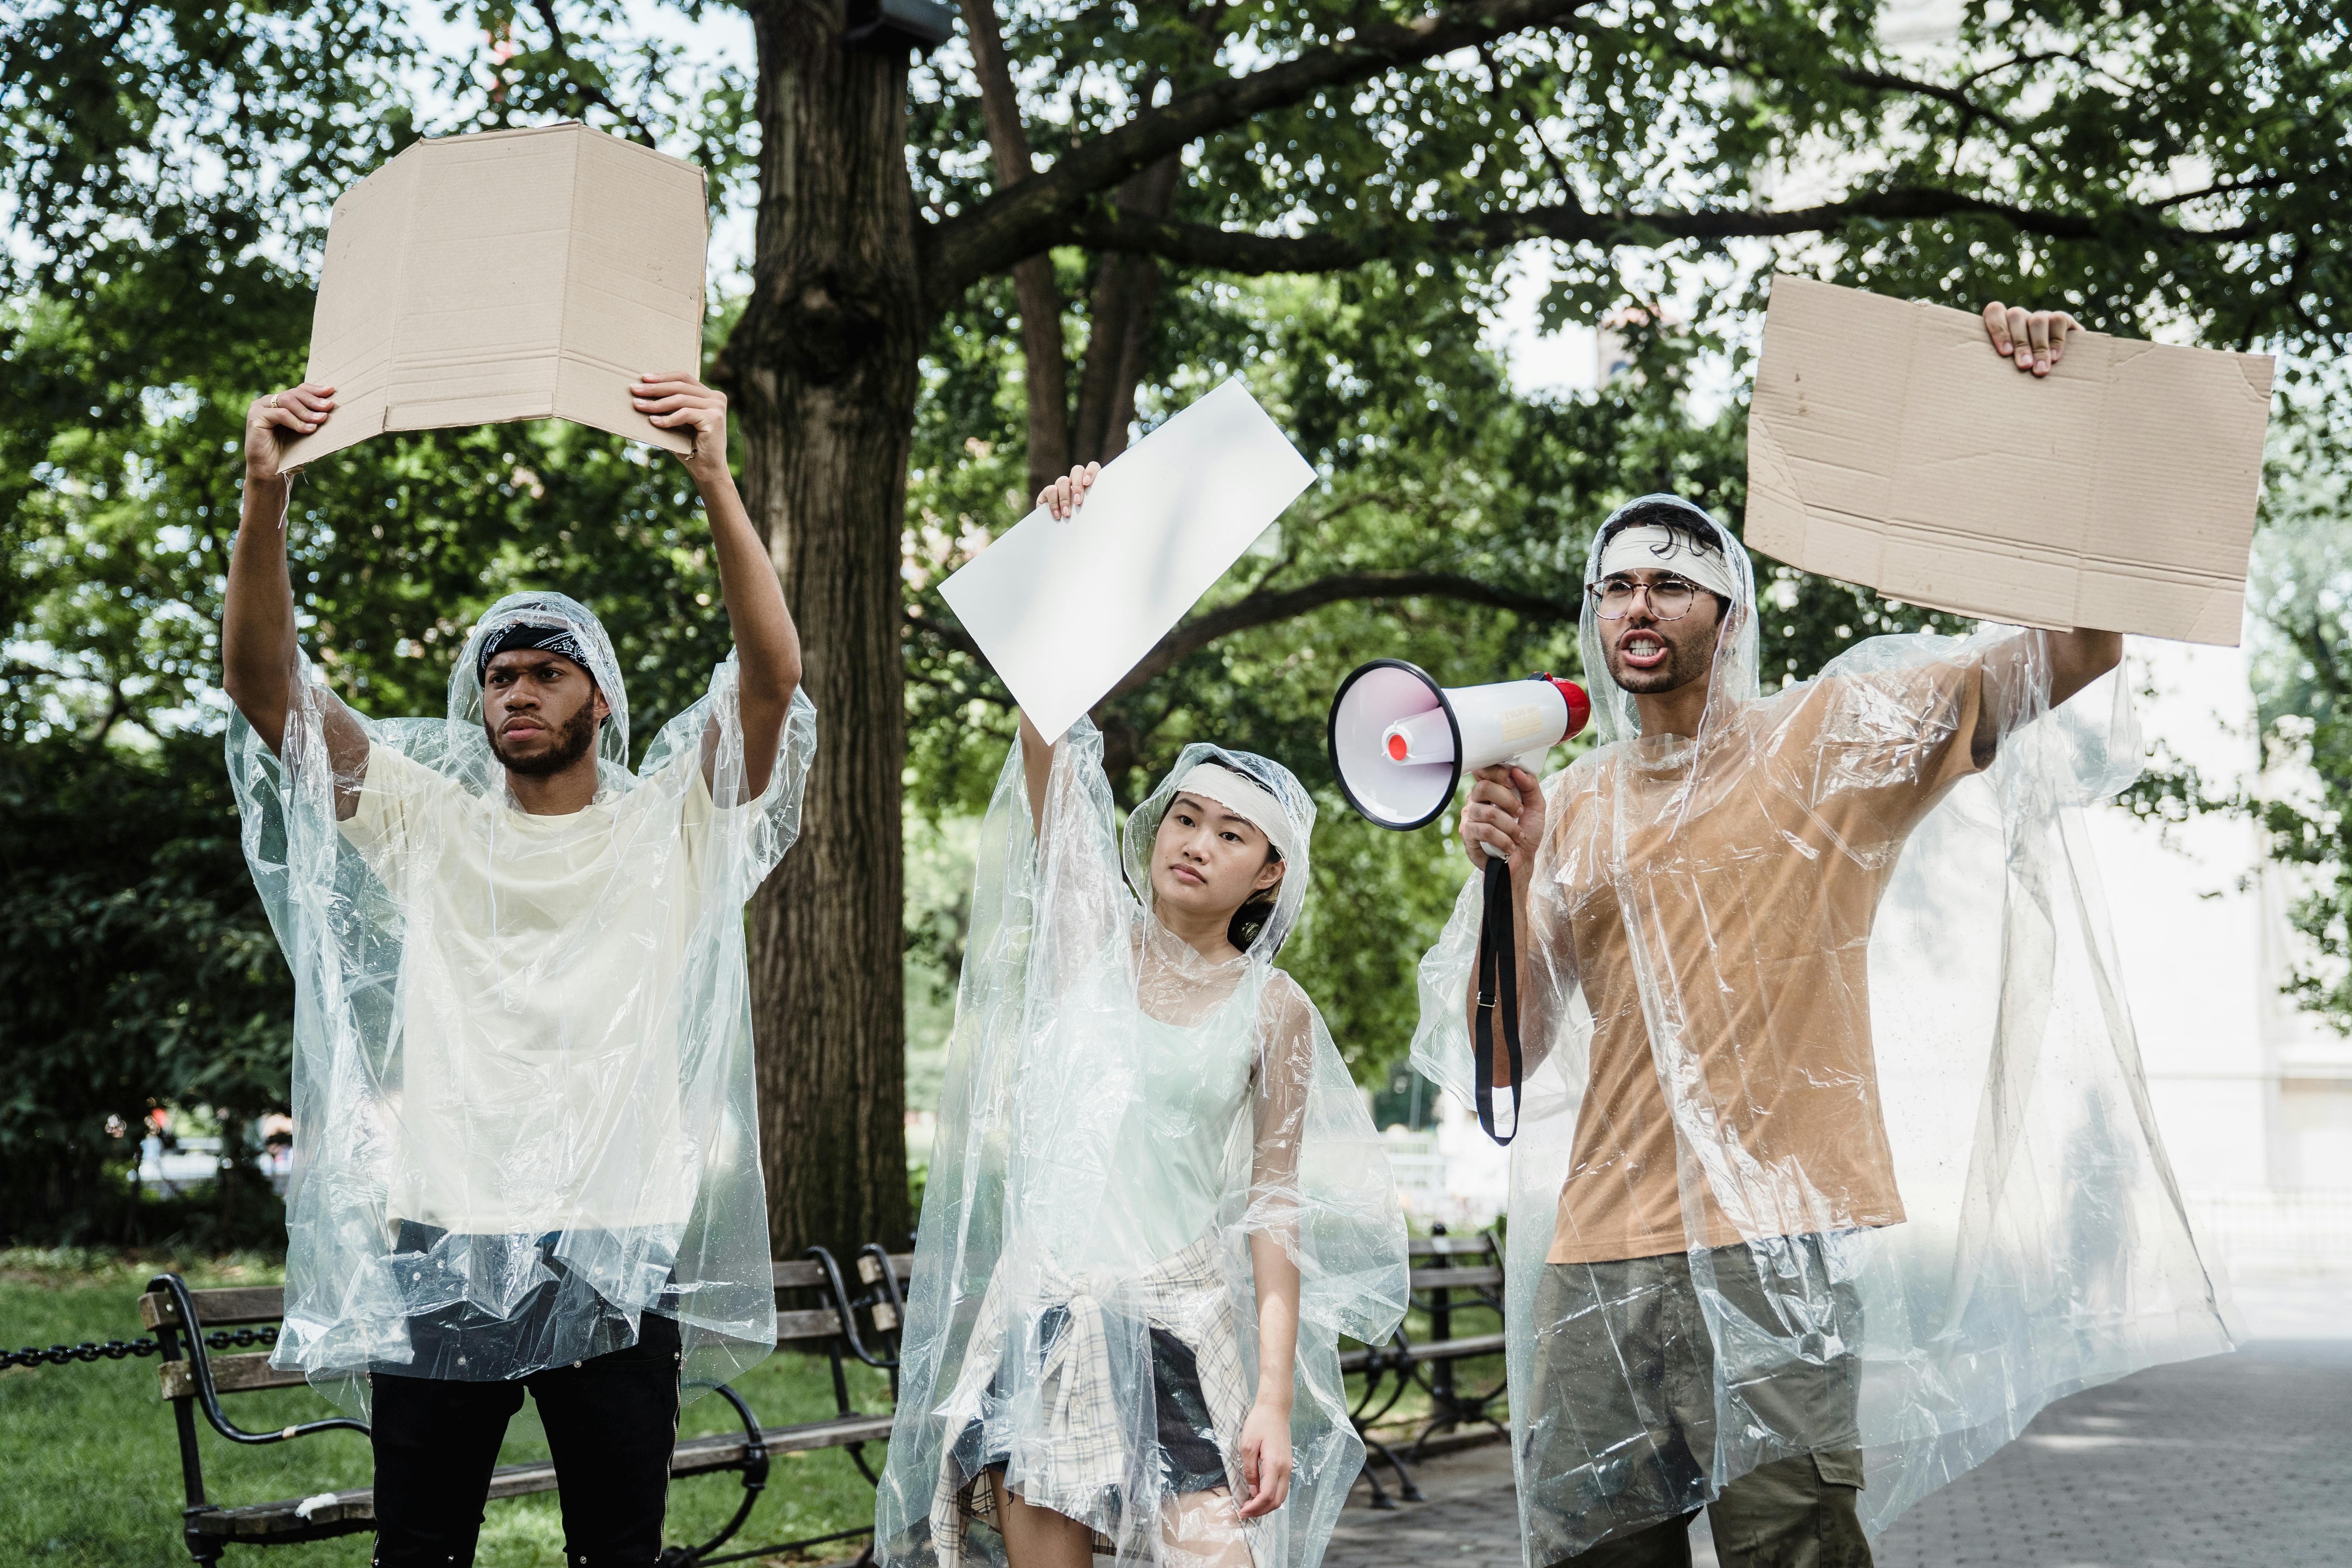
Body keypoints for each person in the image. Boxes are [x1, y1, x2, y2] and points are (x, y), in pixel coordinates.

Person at [1410, 302, 2232, 1567]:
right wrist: (1508, 881)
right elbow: (1505, 1063)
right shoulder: (1563, 806)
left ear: (1727, 617)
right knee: (1590, 1555)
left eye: (1673, 581)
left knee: (1791, 1546)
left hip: (1773, 1244)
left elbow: (2076, 652)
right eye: (1619, 582)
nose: (1642, 603)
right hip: (1599, 1256)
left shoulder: (1832, 740)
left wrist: (2041, 417)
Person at [223, 372, 816, 1568]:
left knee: (616, 1551)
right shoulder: (430, 827)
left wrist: (714, 479)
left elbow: (770, 683)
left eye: (546, 671)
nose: (519, 691)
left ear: (600, 695)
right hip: (443, 1235)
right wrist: (263, 497)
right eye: (500, 676)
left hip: (611, 1244)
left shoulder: (670, 830)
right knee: (421, 1551)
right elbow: (266, 692)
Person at [875, 466, 1409, 1568]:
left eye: (1230, 835)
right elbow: (1046, 739)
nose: (1195, 841)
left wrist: (1270, 1401)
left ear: (1267, 876)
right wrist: (1076, 551)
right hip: (1055, 1316)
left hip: (1184, 1327)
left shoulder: (1276, 1010)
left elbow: (1275, 1215)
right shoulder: (1086, 937)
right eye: (1186, 816)